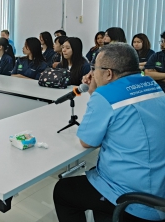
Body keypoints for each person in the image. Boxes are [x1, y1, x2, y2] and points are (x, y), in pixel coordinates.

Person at [54, 43, 165, 222]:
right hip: (159, 188)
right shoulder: (152, 85)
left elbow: (87, 141)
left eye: (94, 68)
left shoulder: (106, 95)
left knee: (63, 191)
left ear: (108, 73)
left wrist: (94, 92)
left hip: (132, 197)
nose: (92, 73)